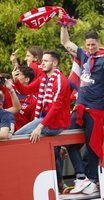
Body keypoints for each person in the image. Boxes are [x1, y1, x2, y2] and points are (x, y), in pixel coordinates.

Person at [60, 26, 104, 194]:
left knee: (92, 146)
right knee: (67, 140)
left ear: (99, 44)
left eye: (93, 45)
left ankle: (92, 180)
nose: (91, 48)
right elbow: (65, 42)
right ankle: (81, 177)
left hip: (96, 109)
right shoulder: (84, 55)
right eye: (88, 45)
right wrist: (64, 25)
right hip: (79, 108)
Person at [13, 51, 70, 141]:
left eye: (46, 61)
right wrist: (16, 81)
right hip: (45, 120)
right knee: (21, 138)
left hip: (55, 124)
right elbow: (25, 91)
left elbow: (55, 108)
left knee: (17, 137)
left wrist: (39, 127)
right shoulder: (43, 78)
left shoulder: (60, 81)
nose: (42, 63)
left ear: (54, 63)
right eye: (42, 60)